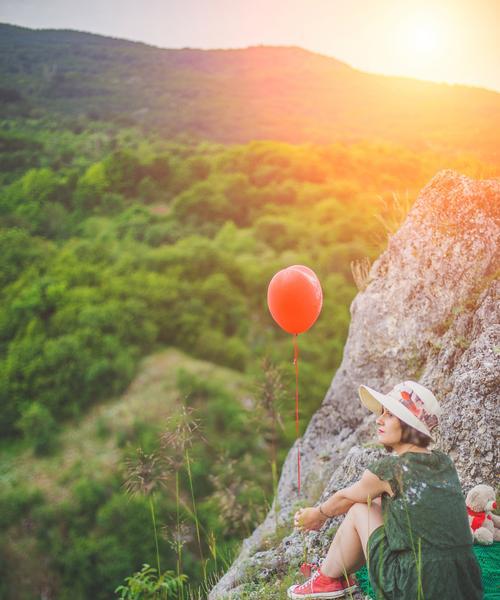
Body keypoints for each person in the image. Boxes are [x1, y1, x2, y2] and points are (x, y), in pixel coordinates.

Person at [287, 380, 484, 599]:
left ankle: (326, 580)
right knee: (381, 503)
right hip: (463, 585)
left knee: (360, 508)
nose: (379, 420)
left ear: (409, 425)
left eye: (389, 414)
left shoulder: (391, 469)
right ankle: (334, 576)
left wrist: (318, 514)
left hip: (413, 588)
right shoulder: (444, 463)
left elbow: (344, 498)